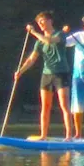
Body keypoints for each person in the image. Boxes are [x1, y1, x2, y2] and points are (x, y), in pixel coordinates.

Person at [15, 11, 73, 140]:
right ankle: (43, 135)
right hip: (46, 75)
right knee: (45, 107)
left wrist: (34, 32)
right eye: (38, 22)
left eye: (42, 21)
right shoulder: (39, 43)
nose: (40, 24)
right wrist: (20, 71)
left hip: (60, 73)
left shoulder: (60, 34)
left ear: (50, 21)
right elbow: (31, 59)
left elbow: (49, 40)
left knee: (64, 105)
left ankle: (69, 136)